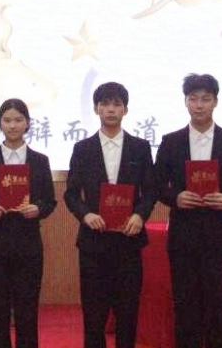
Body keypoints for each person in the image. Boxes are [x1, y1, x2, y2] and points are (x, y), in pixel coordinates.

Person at [154, 73, 222, 348]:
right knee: (185, 308)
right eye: (193, 99)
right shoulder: (171, 142)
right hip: (183, 238)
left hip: (218, 238)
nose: (199, 105)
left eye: (205, 99)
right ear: (185, 101)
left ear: (215, 102)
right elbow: (156, 184)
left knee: (218, 308)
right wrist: (176, 197)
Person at [64, 81, 158, 348]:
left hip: (128, 242)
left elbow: (151, 190)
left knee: (128, 314)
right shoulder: (83, 149)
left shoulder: (140, 147)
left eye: (117, 104)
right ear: (96, 109)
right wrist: (86, 215)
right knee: (94, 316)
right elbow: (71, 194)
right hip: (94, 243)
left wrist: (139, 215)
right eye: (105, 104)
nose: (111, 109)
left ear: (125, 109)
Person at [0, 98, 57, 348]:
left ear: (27, 123)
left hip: (28, 247)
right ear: (0, 123)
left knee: (27, 312)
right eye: (7, 120)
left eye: (18, 120)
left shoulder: (39, 160)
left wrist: (38, 209)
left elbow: (50, 201)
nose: (13, 125)